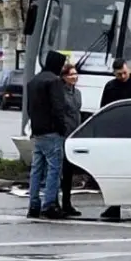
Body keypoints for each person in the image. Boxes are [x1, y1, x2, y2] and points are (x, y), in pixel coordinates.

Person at [99, 58, 131, 221]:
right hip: (116, 135)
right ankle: (115, 206)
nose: (122, 76)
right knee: (115, 172)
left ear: (129, 70)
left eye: (124, 73)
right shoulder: (111, 86)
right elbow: (104, 110)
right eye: (119, 74)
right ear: (114, 73)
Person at [25, 51, 70, 219]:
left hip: (37, 132)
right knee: (53, 169)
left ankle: (33, 204)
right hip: (52, 132)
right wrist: (62, 128)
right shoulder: (54, 81)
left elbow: (30, 109)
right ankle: (49, 204)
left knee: (37, 170)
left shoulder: (33, 81)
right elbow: (58, 108)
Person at [60, 62, 83, 217]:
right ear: (64, 77)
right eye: (71, 74)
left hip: (74, 134)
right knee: (60, 170)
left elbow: (77, 111)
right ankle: (57, 202)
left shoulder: (77, 92)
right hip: (63, 133)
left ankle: (67, 203)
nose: (74, 77)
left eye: (75, 74)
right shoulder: (60, 92)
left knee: (69, 171)